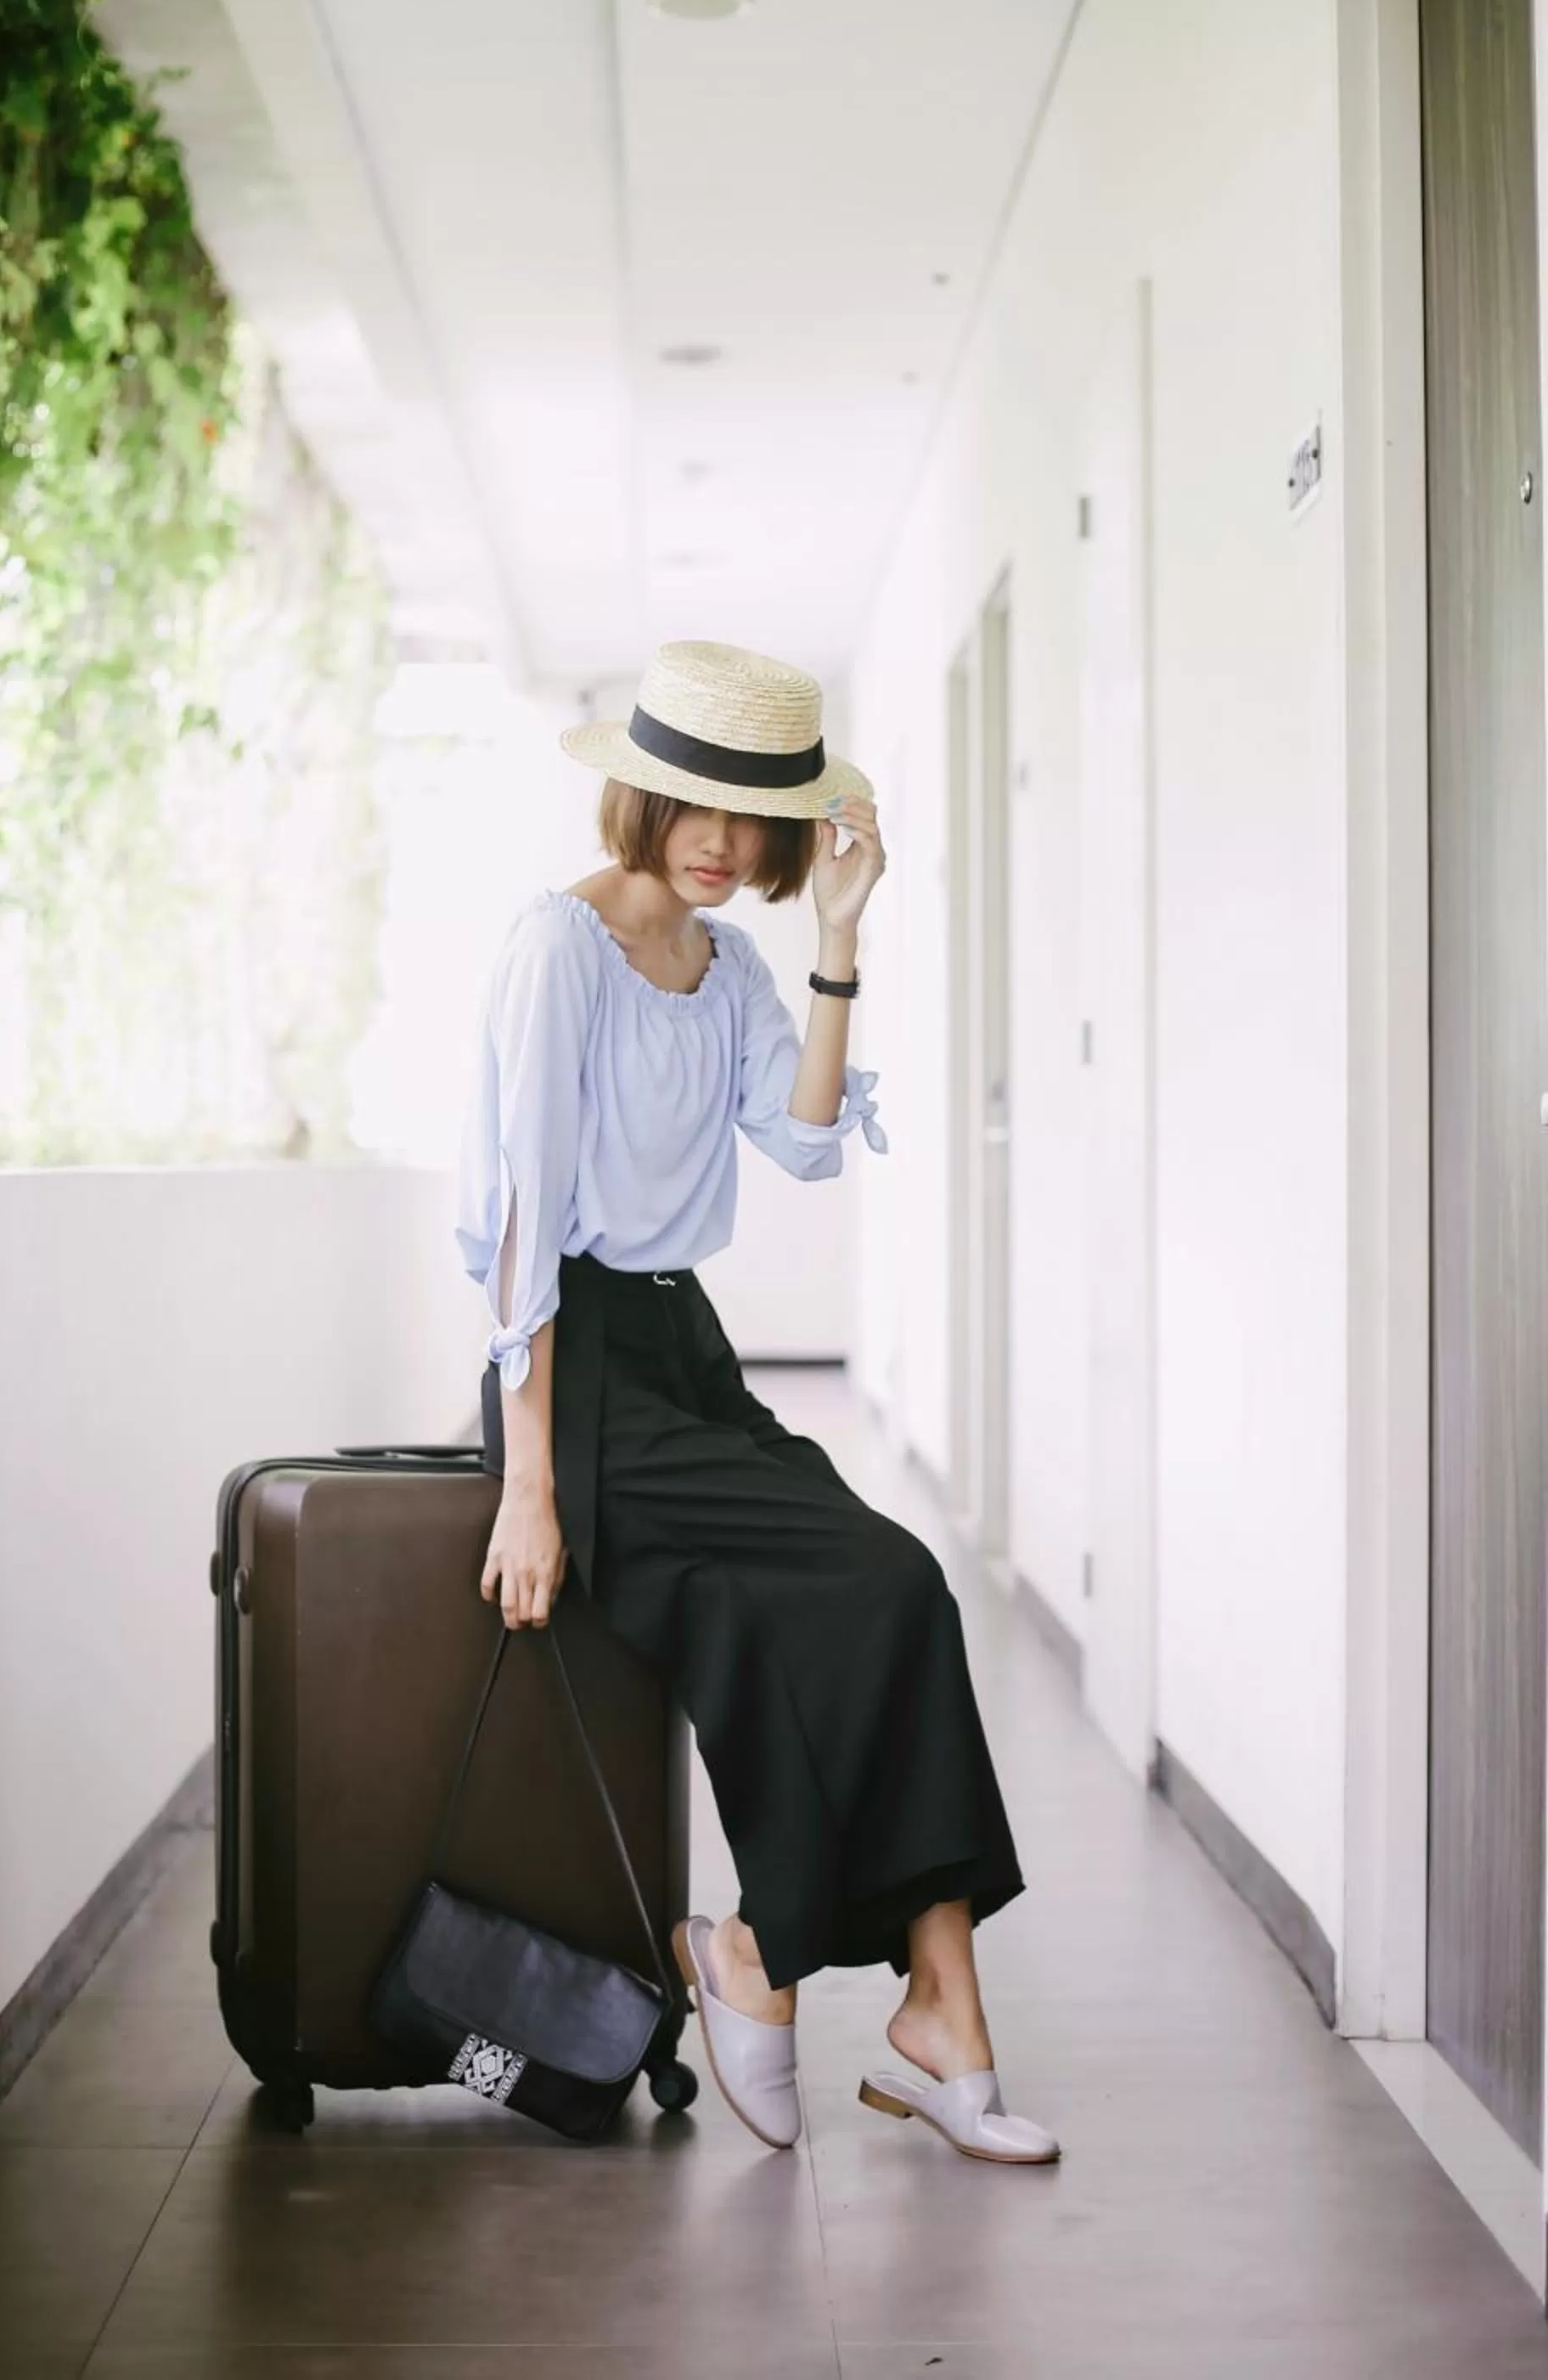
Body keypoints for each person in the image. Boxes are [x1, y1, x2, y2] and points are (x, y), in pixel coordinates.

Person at [455, 638, 1058, 2167]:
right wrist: (530, 1484)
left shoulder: (728, 968)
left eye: (756, 814)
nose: (724, 840)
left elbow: (797, 1145)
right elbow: (523, 1227)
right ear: (638, 794)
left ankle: (932, 2013)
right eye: (694, 802)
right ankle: (786, 1971)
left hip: (685, 1359)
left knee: (863, 1598)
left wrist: (842, 940)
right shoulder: (559, 950)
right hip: (579, 1382)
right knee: (886, 1575)